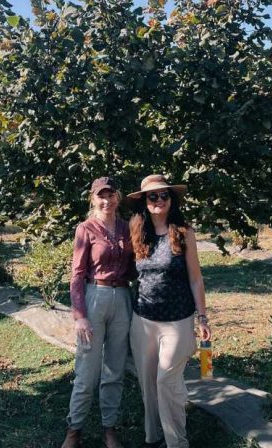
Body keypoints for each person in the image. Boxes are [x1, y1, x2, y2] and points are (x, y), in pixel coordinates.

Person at [127, 174, 211, 448]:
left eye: (164, 195)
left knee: (166, 382)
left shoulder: (184, 232)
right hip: (143, 321)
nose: (159, 200)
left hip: (178, 321)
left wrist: (203, 316)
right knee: (148, 384)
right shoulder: (137, 231)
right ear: (144, 201)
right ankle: (154, 437)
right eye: (153, 196)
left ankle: (177, 442)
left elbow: (195, 278)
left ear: (172, 200)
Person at [62, 177, 135, 448]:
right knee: (87, 369)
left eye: (111, 195)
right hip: (95, 296)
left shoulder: (128, 228)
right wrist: (80, 314)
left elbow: (135, 265)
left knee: (114, 368)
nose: (106, 200)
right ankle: (74, 429)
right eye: (100, 196)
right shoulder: (86, 228)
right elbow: (77, 275)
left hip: (122, 297)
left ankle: (109, 428)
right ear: (93, 199)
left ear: (117, 197)